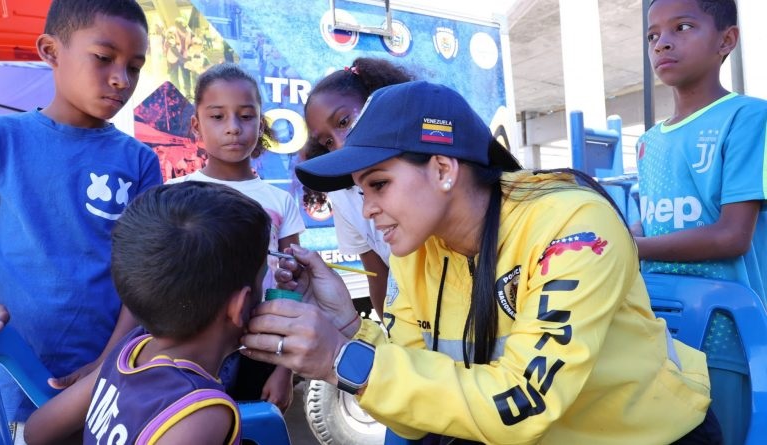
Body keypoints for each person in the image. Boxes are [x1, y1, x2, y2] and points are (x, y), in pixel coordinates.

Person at [242, 81, 720, 444]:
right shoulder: (418, 247)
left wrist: (341, 359)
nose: (367, 209)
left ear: (444, 169)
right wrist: (345, 324)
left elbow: (523, 403)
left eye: (379, 184)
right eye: (361, 190)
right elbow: (412, 409)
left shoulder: (573, 227)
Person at [0, 0, 162, 432]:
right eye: (104, 58)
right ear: (51, 51)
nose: (121, 79)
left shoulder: (140, 161)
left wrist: (110, 360)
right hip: (13, 365)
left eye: (134, 66)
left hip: (111, 378)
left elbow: (145, 277)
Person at [24, 181, 271, 444]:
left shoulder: (130, 351)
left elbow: (37, 431)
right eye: (263, 279)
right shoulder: (201, 412)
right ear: (241, 306)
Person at [633, 0, 767, 442]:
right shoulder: (648, 141)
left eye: (683, 26)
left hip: (725, 336)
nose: (663, 42)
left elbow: (732, 236)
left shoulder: (748, 118)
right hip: (656, 335)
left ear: (726, 40)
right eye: (653, 36)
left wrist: (632, 247)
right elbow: (648, 228)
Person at [167, 62, 304, 412]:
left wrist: (283, 371)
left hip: (261, 347)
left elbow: (294, 291)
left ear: (260, 123)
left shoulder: (279, 201)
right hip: (188, 349)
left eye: (245, 116)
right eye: (218, 117)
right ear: (196, 125)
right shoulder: (172, 196)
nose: (233, 128)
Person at [302, 57, 414, 316]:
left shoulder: (417, 169)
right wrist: (390, 338)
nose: (340, 144)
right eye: (328, 141)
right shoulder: (342, 196)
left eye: (343, 122)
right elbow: (377, 275)